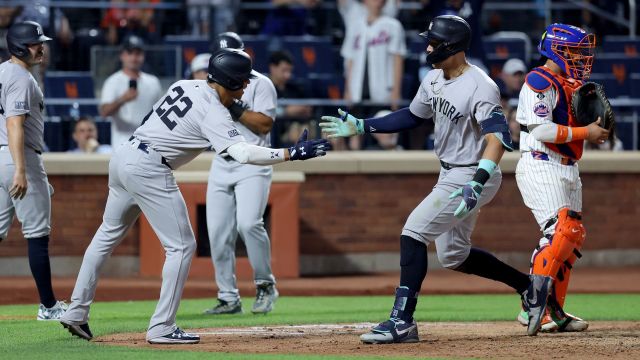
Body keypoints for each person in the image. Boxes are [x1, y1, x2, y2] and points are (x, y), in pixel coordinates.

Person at [59, 48, 331, 344]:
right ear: (231, 82)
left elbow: (155, 118)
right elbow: (242, 153)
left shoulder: (183, 85)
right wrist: (290, 153)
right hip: (150, 166)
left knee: (105, 236)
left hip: (125, 154)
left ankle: (76, 311)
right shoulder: (213, 110)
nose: (247, 85)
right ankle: (162, 326)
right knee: (182, 245)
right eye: (243, 80)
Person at [320, 15, 553, 343]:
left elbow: (498, 138)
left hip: (474, 171)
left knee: (412, 232)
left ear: (453, 47)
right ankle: (530, 287)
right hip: (450, 171)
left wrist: (477, 181)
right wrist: (363, 125)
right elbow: (413, 115)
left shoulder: (480, 85)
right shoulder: (433, 78)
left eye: (434, 42)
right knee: (454, 256)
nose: (427, 46)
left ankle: (402, 321)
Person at [514, 23, 609, 333]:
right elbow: (540, 130)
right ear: (556, 49)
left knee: (571, 237)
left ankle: (553, 310)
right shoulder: (538, 80)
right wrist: (586, 132)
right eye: (575, 52)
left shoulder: (568, 83)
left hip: (567, 166)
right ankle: (532, 307)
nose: (582, 58)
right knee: (562, 232)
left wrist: (598, 127)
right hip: (541, 162)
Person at [203, 32, 280, 315]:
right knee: (218, 233)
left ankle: (265, 285)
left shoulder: (259, 82)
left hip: (253, 162)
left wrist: (233, 104)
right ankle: (228, 296)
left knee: (248, 224)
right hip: (222, 162)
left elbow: (264, 125)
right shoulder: (207, 85)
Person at [0, 21, 67, 321]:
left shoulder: (3, 70)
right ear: (18, 46)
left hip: (1, 156)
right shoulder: (22, 79)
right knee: (37, 235)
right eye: (34, 43)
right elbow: (14, 123)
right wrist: (21, 171)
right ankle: (49, 306)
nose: (41, 46)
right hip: (18, 157)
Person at [99, 34, 162, 148]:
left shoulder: (153, 82)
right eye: (130, 53)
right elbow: (104, 112)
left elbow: (160, 114)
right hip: (122, 144)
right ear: (122, 55)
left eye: (137, 53)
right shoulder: (113, 81)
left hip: (149, 144)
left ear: (143, 56)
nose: (134, 58)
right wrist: (122, 99)